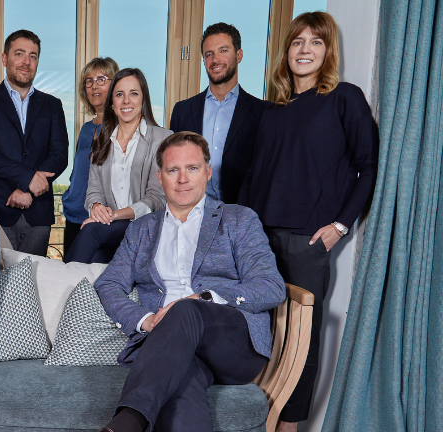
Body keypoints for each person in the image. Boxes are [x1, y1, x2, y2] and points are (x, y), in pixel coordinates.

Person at [237, 12, 379, 432]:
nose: (305, 50)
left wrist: (340, 226)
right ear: (287, 52)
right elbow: (253, 175)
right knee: (259, 329)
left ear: (327, 51)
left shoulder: (344, 98)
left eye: (316, 42)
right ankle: (253, 416)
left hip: (307, 239)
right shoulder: (272, 112)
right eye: (297, 42)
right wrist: (240, 230)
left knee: (303, 337)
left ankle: (290, 425)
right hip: (260, 237)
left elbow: (368, 166)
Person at [95, 132, 285, 432]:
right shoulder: (141, 230)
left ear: (207, 172)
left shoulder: (239, 220)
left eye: (192, 168)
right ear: (160, 177)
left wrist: (204, 297)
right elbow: (108, 283)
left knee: (184, 309)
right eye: (173, 170)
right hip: (169, 346)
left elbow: (270, 286)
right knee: (181, 384)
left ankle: (128, 422)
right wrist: (145, 320)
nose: (183, 179)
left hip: (232, 344)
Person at [0, 29, 69, 257]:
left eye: (33, 56)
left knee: (33, 277)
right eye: (19, 54)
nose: (26, 62)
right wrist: (28, 178)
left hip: (38, 212)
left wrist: (28, 190)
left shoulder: (52, 105)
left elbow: (60, 155)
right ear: (4, 59)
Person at [64, 68, 172, 264]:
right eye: (120, 94)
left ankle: (59, 282)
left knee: (91, 231)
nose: (126, 101)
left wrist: (113, 215)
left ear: (143, 99)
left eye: (134, 93)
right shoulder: (101, 142)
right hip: (111, 229)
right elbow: (93, 191)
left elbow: (157, 199)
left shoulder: (163, 139)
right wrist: (96, 207)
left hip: (146, 228)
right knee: (96, 260)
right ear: (112, 103)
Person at [169, 22, 271, 204]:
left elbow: (265, 171)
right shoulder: (182, 111)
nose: (215, 59)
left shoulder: (264, 112)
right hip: (192, 211)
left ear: (239, 55)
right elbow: (173, 166)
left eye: (223, 50)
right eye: (209, 54)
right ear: (204, 61)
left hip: (243, 212)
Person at [61, 57, 119, 255]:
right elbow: (78, 172)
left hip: (102, 220)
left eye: (102, 79)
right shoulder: (86, 129)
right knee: (69, 272)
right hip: (73, 216)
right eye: (89, 81)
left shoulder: (122, 128)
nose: (94, 86)